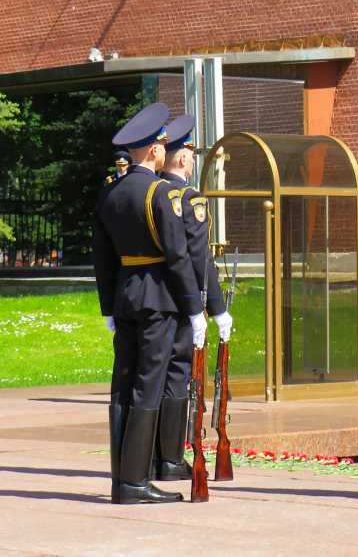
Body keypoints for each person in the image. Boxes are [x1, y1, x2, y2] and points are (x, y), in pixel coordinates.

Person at [93, 102, 206, 504]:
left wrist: (107, 306)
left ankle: (121, 480)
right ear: (156, 151)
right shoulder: (159, 193)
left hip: (124, 297)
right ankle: (135, 483)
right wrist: (194, 309)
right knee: (148, 385)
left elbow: (102, 256)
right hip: (158, 300)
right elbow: (177, 257)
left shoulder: (111, 193)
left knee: (122, 385)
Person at [154, 113, 232, 480]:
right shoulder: (188, 198)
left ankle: (151, 457)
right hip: (183, 303)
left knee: (150, 376)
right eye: (190, 152)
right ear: (183, 158)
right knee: (178, 374)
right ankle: (170, 459)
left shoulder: (151, 193)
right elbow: (199, 260)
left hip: (153, 301)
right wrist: (215, 310)